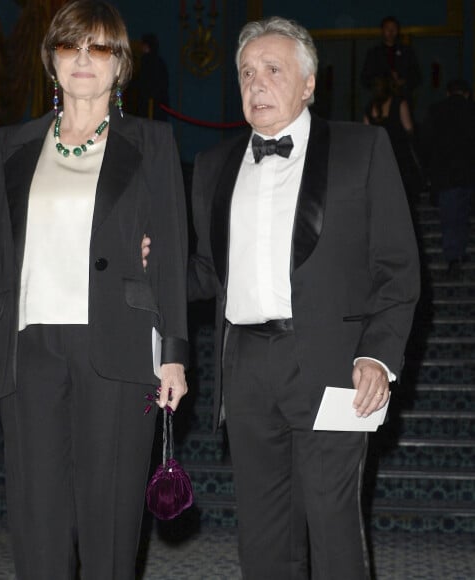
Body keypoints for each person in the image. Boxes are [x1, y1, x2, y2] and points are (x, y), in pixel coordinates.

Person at [0, 2, 189, 578]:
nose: (84, 58)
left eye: (100, 47)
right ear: (51, 60)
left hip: (118, 346)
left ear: (120, 66)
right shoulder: (12, 145)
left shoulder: (153, 144)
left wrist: (176, 356)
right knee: (37, 521)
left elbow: (173, 255)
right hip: (29, 349)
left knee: (109, 525)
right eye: (70, 46)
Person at [183, 16, 419, 580]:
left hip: (334, 363)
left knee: (333, 527)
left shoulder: (363, 148)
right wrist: (143, 265)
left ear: (309, 84)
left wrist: (378, 355)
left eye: (272, 70)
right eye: (246, 73)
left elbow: (398, 268)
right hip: (244, 365)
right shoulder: (213, 167)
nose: (256, 84)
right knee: (263, 537)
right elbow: (206, 274)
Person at [421, 78, 475, 274]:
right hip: (468, 170)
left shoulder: (436, 110)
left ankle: (453, 255)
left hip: (445, 172)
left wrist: (427, 171)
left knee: (449, 216)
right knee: (462, 213)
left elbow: (426, 142)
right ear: (466, 93)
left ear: (448, 92)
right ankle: (458, 251)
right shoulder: (470, 110)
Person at [363, 76, 424, 199]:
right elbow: (409, 128)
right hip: (399, 155)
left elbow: (366, 133)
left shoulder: (370, 107)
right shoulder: (399, 103)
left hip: (378, 156)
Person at [361, 16, 421, 103]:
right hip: (381, 99)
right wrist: (383, 82)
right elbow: (365, 78)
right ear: (382, 30)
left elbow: (417, 76)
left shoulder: (407, 52)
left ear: (398, 30)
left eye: (394, 28)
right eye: (387, 28)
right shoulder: (374, 53)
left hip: (402, 97)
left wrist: (403, 81)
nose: (391, 31)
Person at [136, 33, 169, 121]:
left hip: (149, 105)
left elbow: (145, 83)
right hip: (159, 106)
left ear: (146, 45)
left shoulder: (146, 61)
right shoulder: (160, 61)